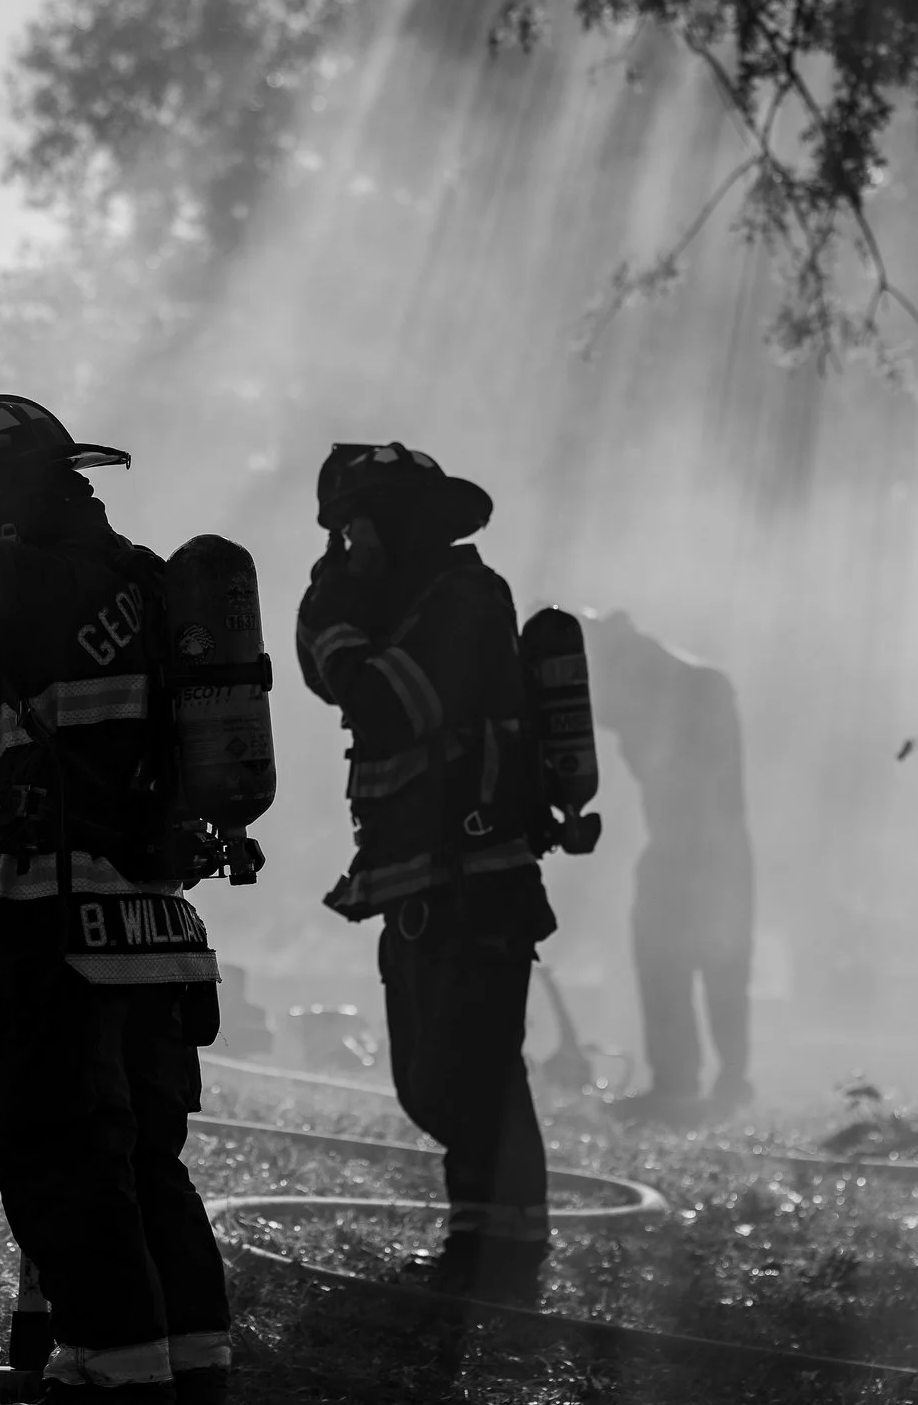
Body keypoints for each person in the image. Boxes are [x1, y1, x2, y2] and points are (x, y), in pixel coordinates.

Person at [0, 396, 230, 1405]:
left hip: (55, 920)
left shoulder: (40, 583)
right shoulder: (149, 582)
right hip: (155, 928)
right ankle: (190, 1364)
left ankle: (111, 1377)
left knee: (65, 1166)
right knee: (146, 1166)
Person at [298, 441, 557, 1303]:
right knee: (431, 1074)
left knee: (469, 1068)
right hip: (418, 881)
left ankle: (500, 1256)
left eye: (357, 524)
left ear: (396, 523)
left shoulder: (465, 600)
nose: (350, 542)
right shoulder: (405, 604)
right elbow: (324, 672)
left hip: (475, 876)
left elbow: (388, 703)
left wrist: (337, 606)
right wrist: (337, 604)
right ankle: (489, 1244)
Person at [580, 610, 755, 1121]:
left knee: (714, 966)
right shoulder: (686, 682)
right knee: (674, 966)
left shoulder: (683, 687)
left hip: (704, 847)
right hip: (692, 847)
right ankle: (693, 1084)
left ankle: (716, 1084)